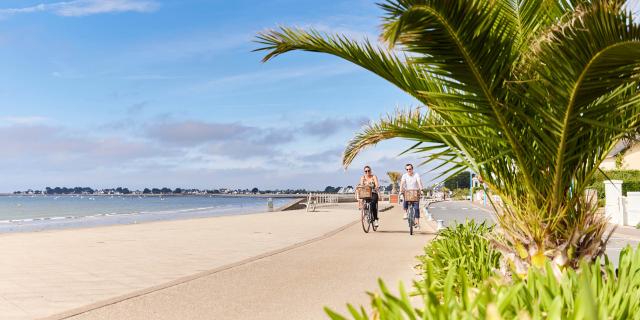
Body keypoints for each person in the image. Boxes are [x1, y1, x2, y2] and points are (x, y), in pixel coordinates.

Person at [400, 163, 423, 228]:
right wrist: (401, 190)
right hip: (407, 192)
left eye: (410, 169)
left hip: (415, 192)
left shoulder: (416, 174)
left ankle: (417, 223)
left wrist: (421, 189)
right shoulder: (404, 175)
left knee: (416, 208)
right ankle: (405, 213)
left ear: (412, 169)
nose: (408, 170)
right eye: (407, 169)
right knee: (405, 200)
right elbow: (402, 183)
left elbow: (419, 181)